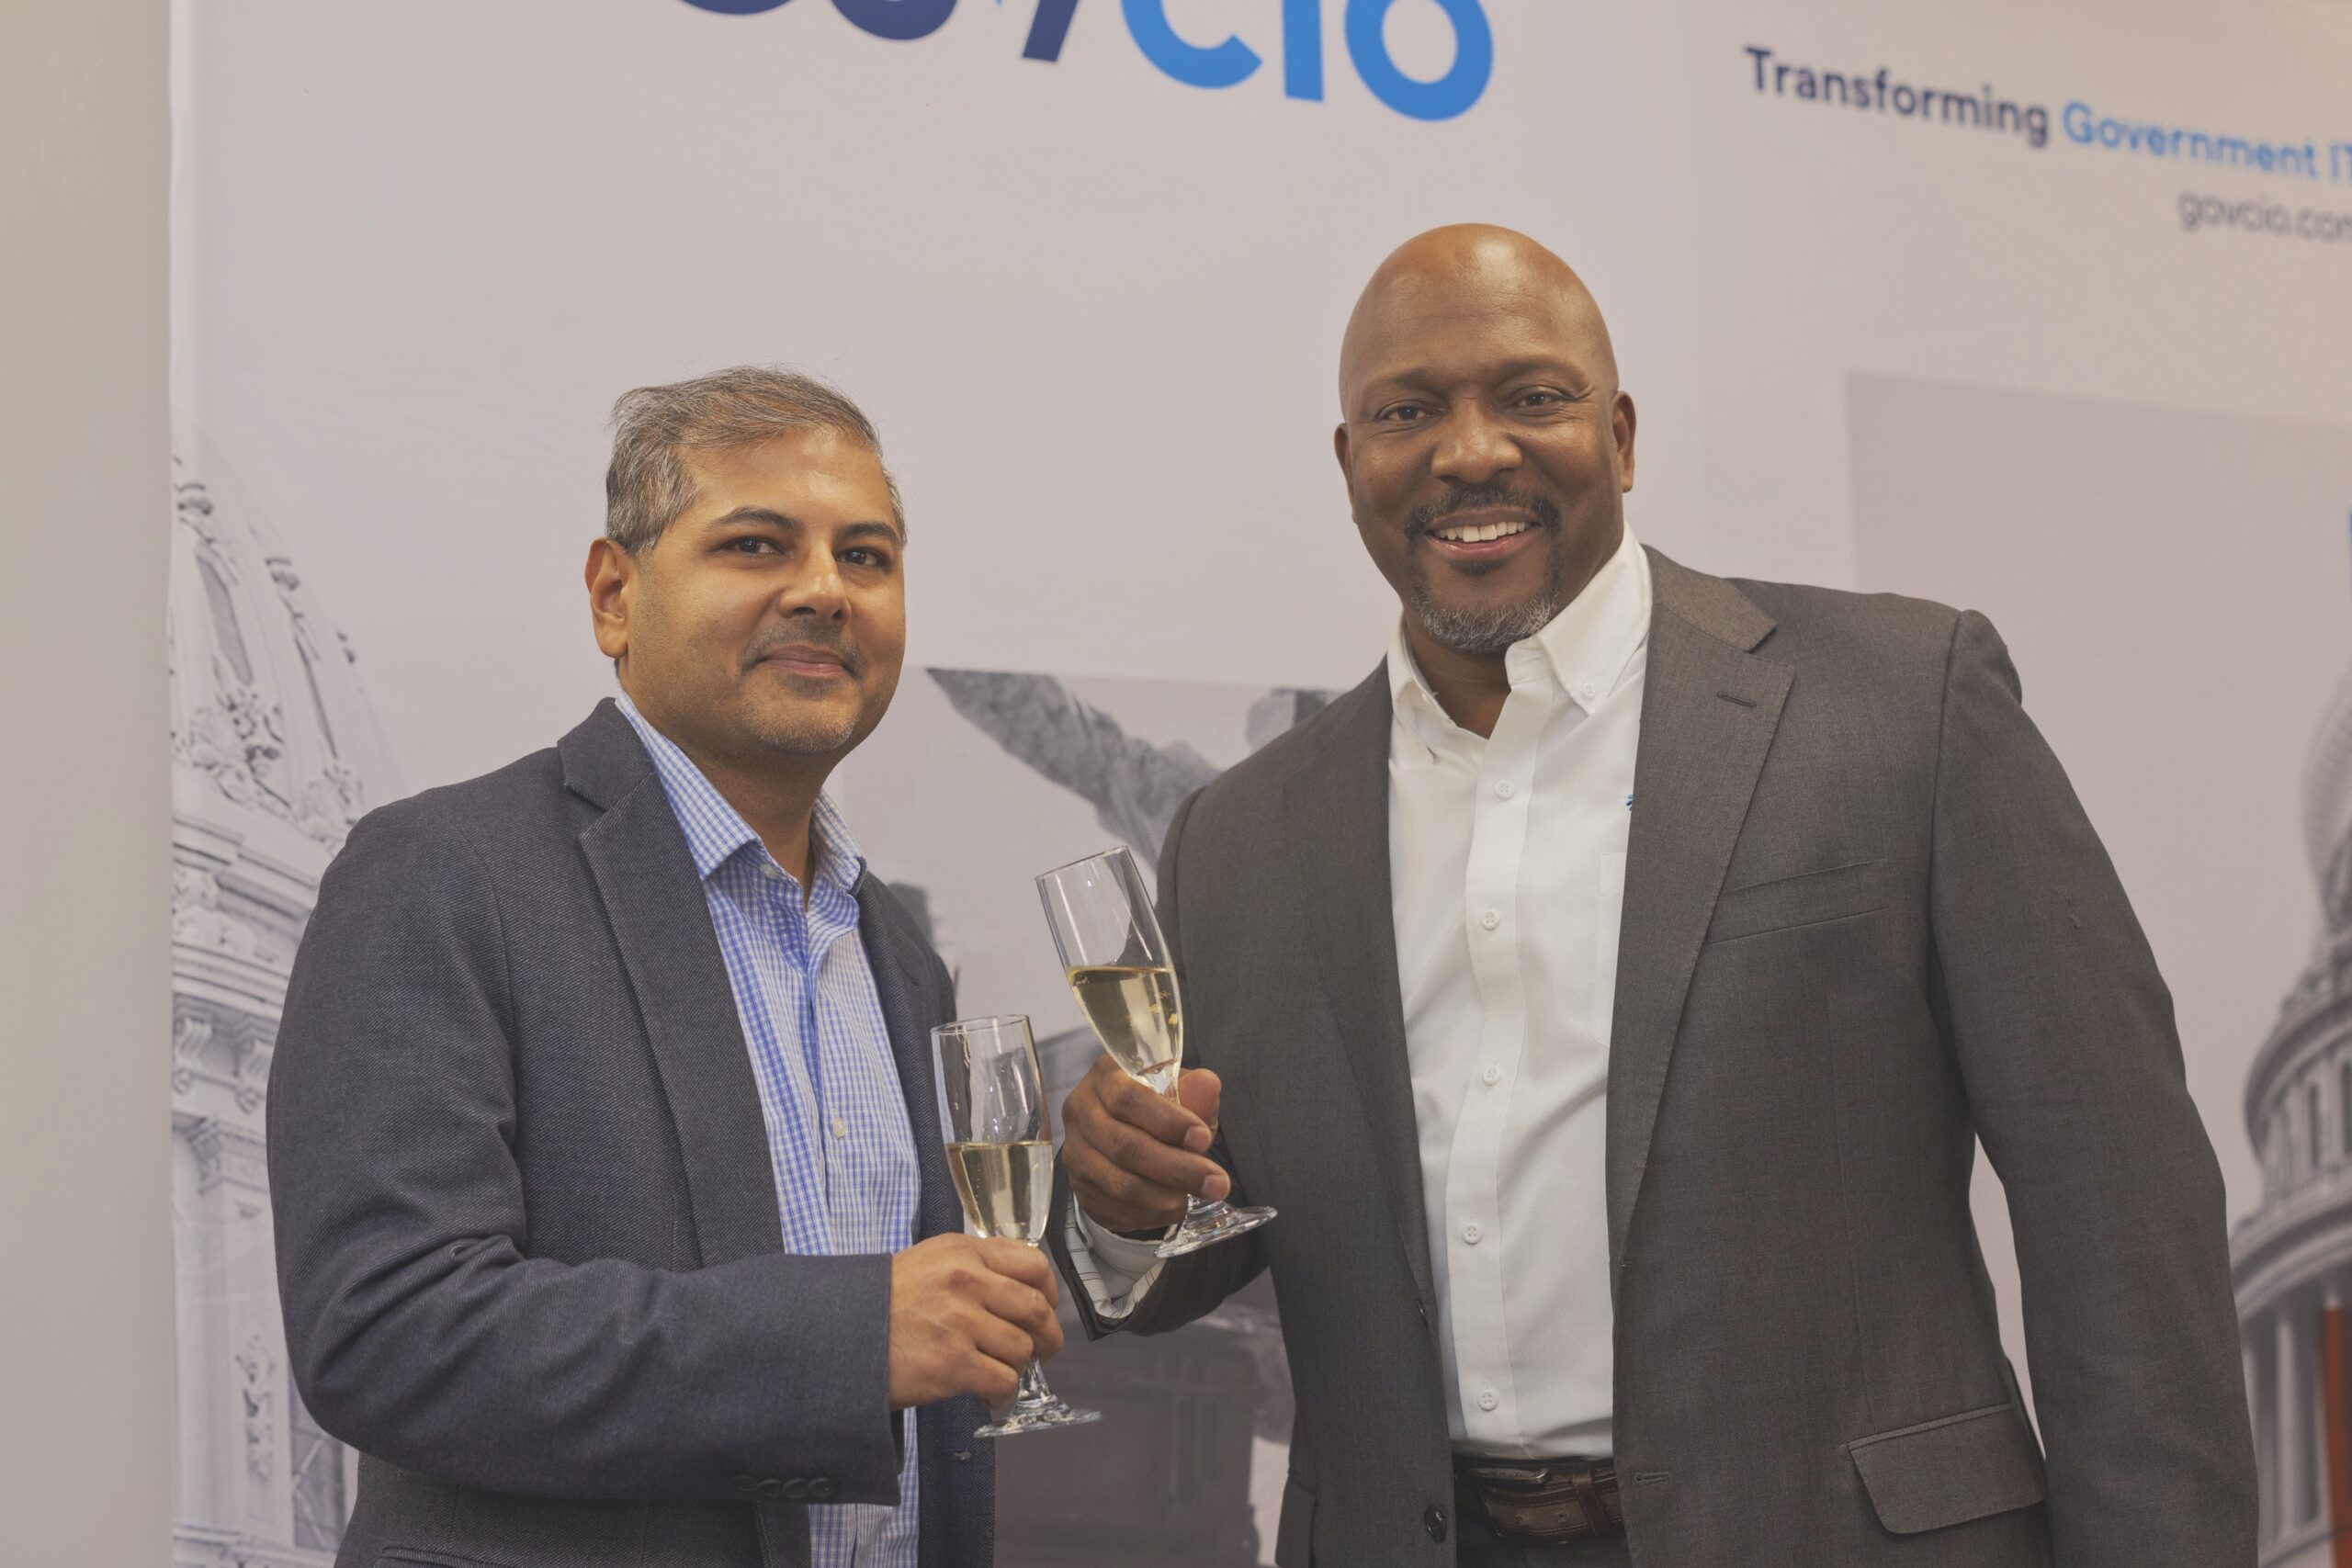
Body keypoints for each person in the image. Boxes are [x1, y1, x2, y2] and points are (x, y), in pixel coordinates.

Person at [1052, 226, 2256, 1567]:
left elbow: (2117, 1200)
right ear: (1350, 467)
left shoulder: (1902, 706)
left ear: (1619, 438)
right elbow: (1203, 1244)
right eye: (1407, 412)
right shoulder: (1241, 836)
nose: (1469, 452)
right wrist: (1124, 1207)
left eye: (1530, 396)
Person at [269, 367, 1060, 1568]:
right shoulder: (442, 873)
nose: (824, 589)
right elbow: (386, 1331)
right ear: (614, 596)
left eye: (866, 557)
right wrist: (851, 1338)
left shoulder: (900, 957)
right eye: (755, 545)